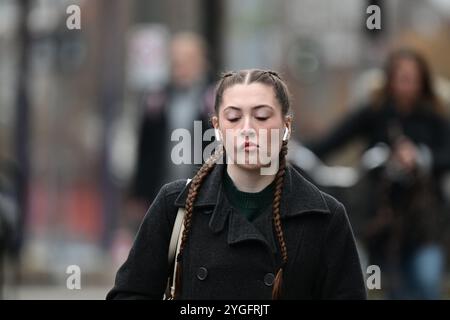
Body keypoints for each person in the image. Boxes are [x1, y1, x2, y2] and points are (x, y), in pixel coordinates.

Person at [107, 69, 366, 300]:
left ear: (286, 125)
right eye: (233, 118)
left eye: (262, 117)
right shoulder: (176, 204)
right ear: (217, 127)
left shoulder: (324, 216)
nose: (247, 129)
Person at [306, 49, 450, 299]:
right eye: (401, 78)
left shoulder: (434, 117)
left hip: (427, 223)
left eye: (412, 78)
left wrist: (421, 158)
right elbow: (332, 141)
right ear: (390, 80)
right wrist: (293, 151)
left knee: (426, 281)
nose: (407, 85)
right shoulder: (375, 113)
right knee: (397, 290)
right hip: (385, 223)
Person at [130, 32, 215, 208]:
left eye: (187, 60)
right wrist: (139, 194)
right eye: (176, 60)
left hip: (204, 194)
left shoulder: (214, 99)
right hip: (162, 192)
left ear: (201, 61)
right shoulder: (156, 100)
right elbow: (145, 150)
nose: (181, 66)